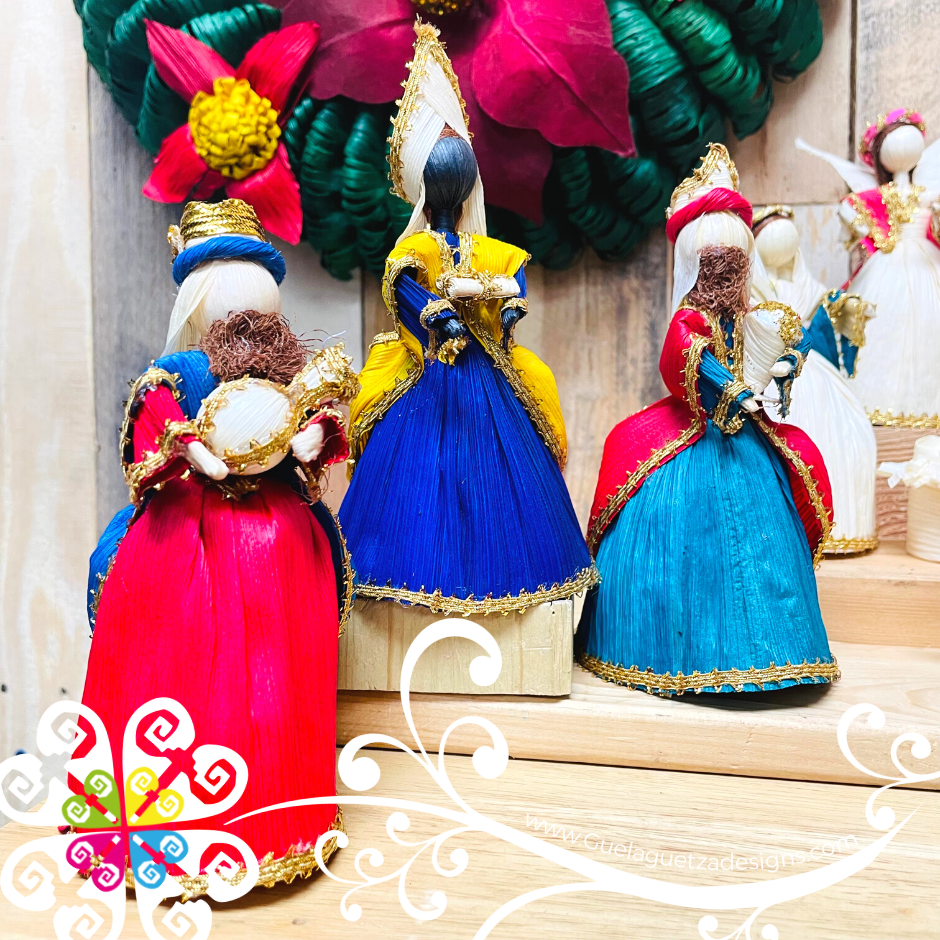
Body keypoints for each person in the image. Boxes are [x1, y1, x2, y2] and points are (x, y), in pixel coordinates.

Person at [79, 200, 352, 895]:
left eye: (259, 309)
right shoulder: (178, 371)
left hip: (275, 532)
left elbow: (316, 422)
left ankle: (275, 812)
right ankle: (165, 825)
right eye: (232, 310)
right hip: (189, 532)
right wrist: (193, 451)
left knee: (275, 670)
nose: (246, 323)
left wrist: (310, 438)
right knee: (184, 656)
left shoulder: (284, 373)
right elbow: (153, 423)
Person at [338, 22, 596, 616]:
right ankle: (413, 578)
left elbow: (512, 284)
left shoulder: (490, 251)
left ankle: (507, 578)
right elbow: (405, 289)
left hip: (483, 366)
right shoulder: (418, 250)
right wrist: (440, 319)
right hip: (430, 367)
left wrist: (505, 302)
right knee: (419, 478)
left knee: (506, 463)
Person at [577, 145, 838, 695]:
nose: (724, 272)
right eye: (714, 262)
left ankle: (776, 645)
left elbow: (780, 345)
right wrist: (729, 389)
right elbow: (684, 358)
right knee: (652, 489)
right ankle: (667, 640)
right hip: (701, 422)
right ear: (696, 264)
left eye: (733, 263)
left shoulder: (750, 317)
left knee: (766, 533)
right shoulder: (689, 320)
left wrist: (785, 364)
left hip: (744, 431)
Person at [798, 109, 940, 427]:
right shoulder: (881, 196)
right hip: (890, 263)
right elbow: (853, 210)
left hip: (926, 261)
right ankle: (880, 400)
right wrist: (858, 222)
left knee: (928, 327)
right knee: (886, 327)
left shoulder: (927, 194)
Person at [750, 205, 878, 554]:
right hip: (771, 372)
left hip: (813, 370)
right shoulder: (753, 291)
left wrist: (844, 309)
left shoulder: (810, 289)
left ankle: (837, 525)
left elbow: (821, 327)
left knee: (843, 432)